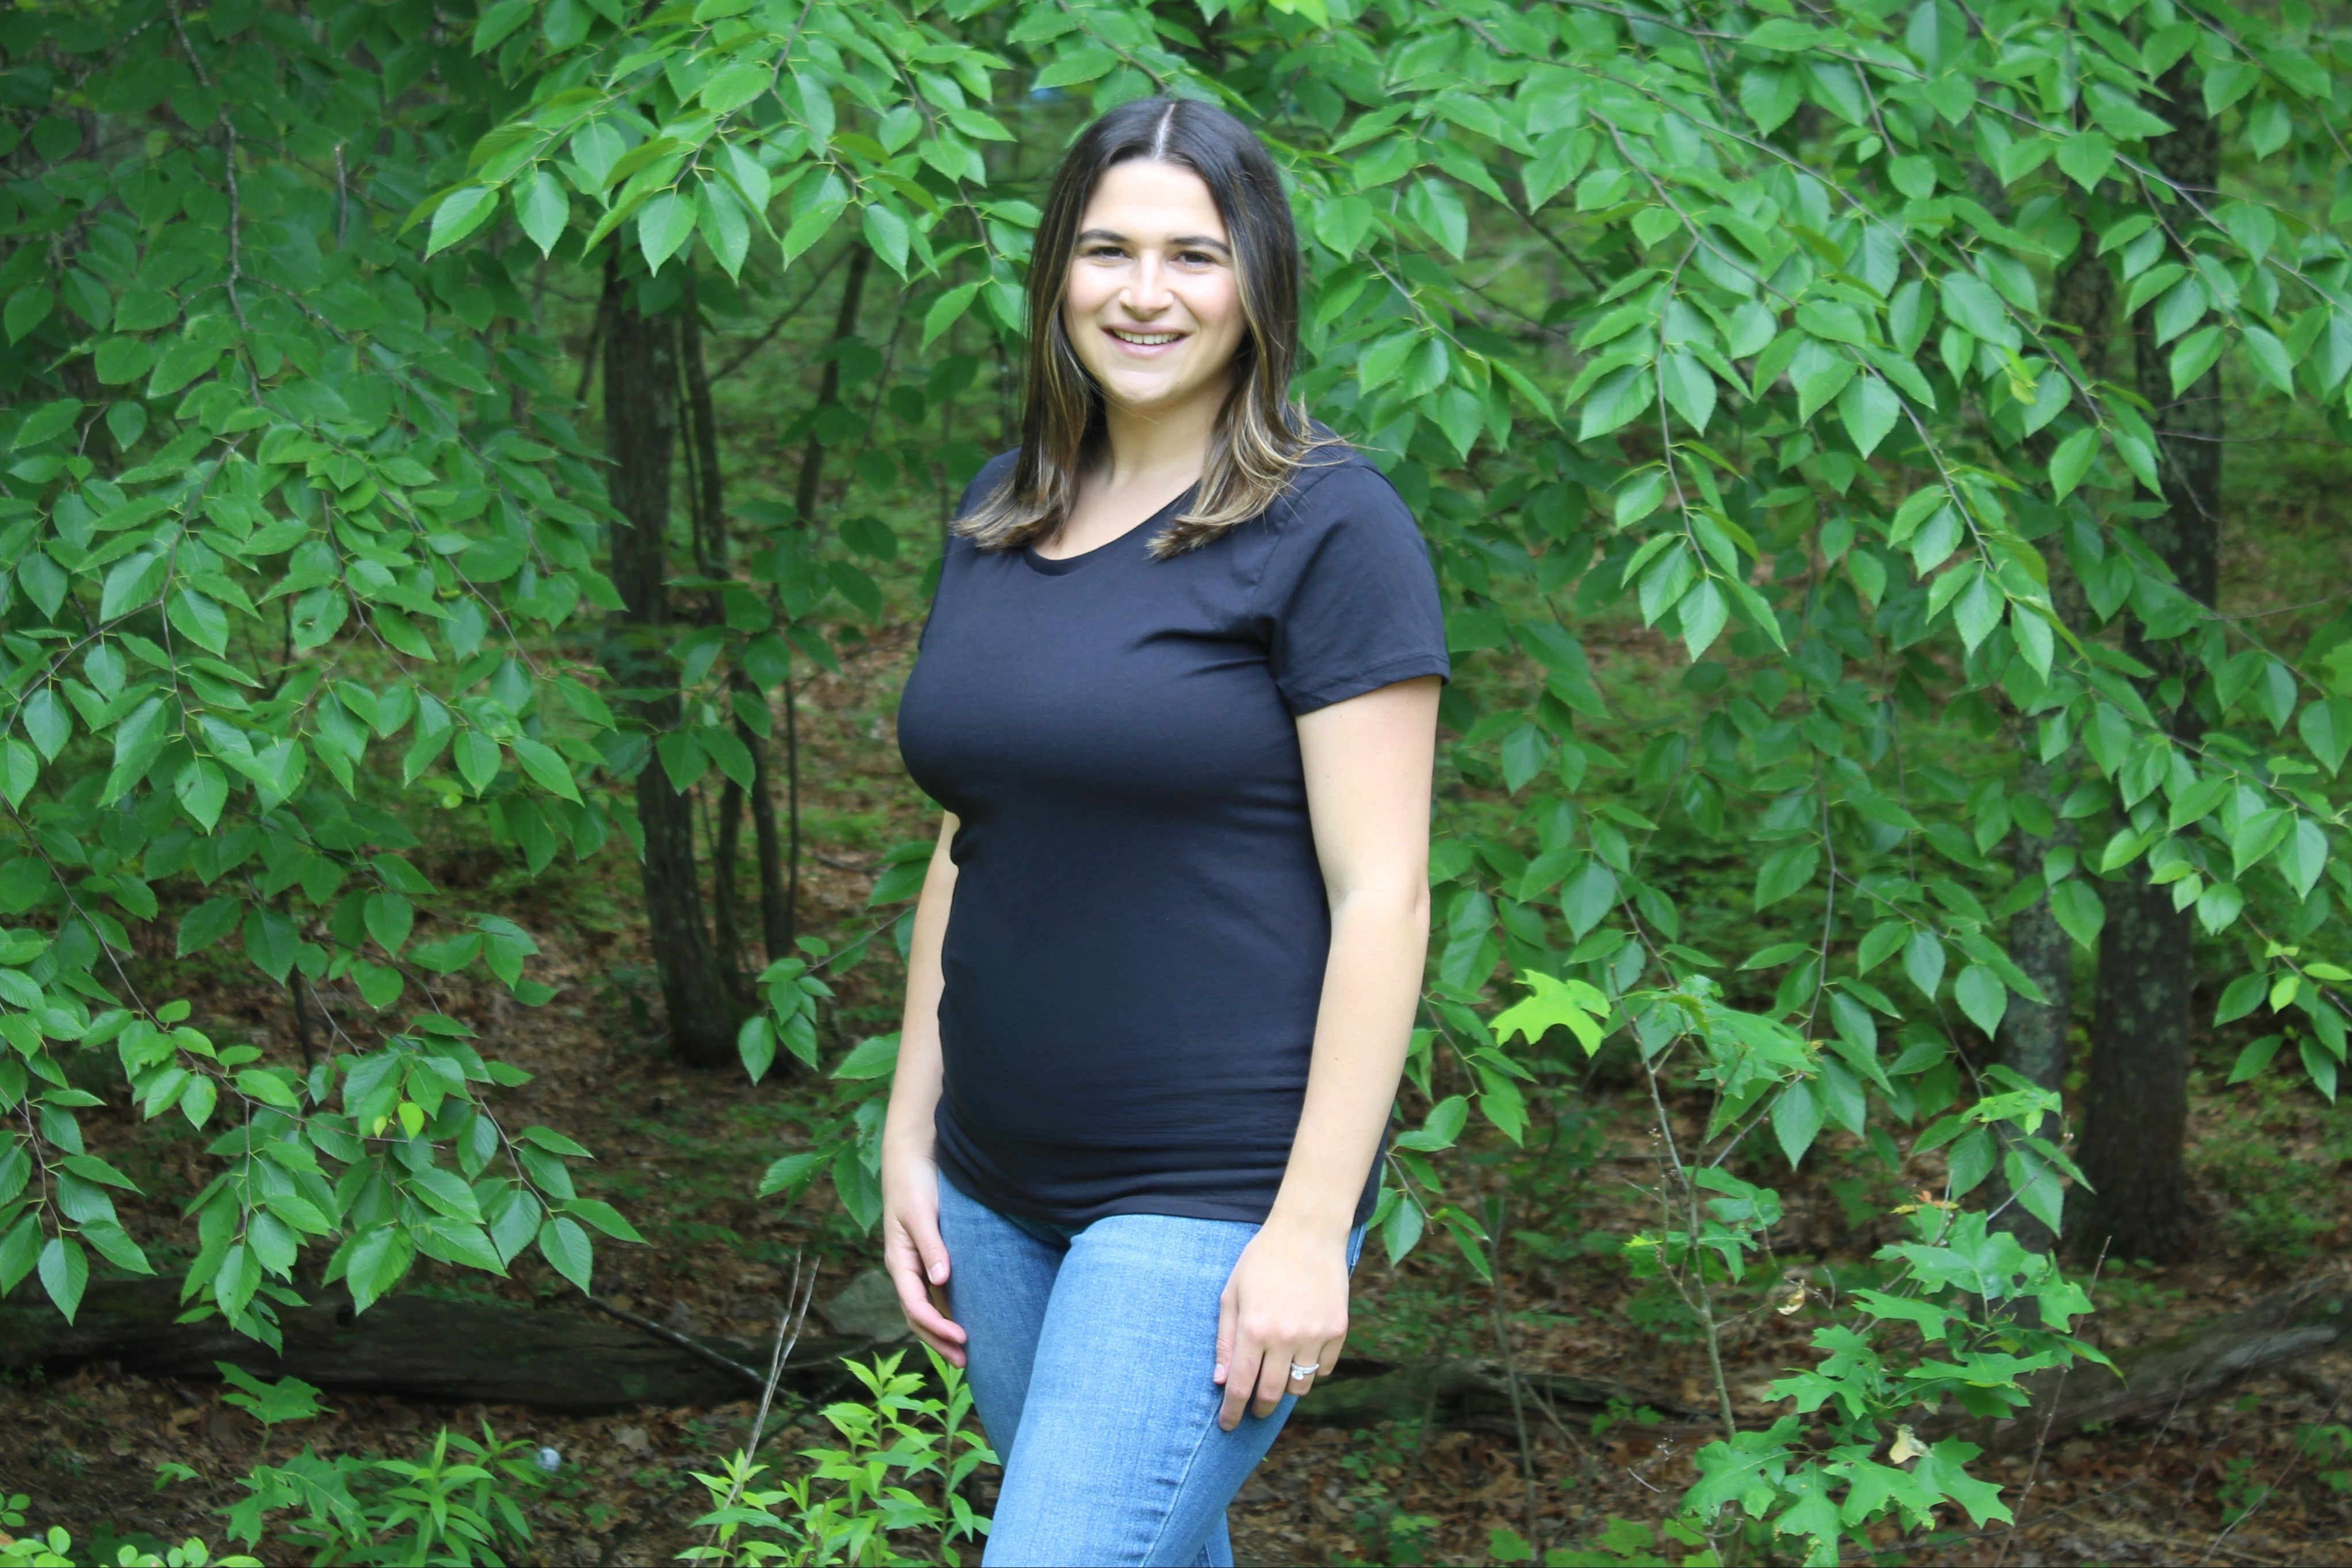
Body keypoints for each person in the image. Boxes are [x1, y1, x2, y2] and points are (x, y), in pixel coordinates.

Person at [885, 94, 1448, 1567]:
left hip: (1213, 1193)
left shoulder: (1330, 528)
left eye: (1193, 256)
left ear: (1258, 279)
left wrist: (1311, 1224)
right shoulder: (1001, 509)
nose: (1145, 294)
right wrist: (906, 1124)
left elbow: (1382, 893)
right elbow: (976, 829)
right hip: (995, 1183)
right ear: (1055, 275)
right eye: (1107, 250)